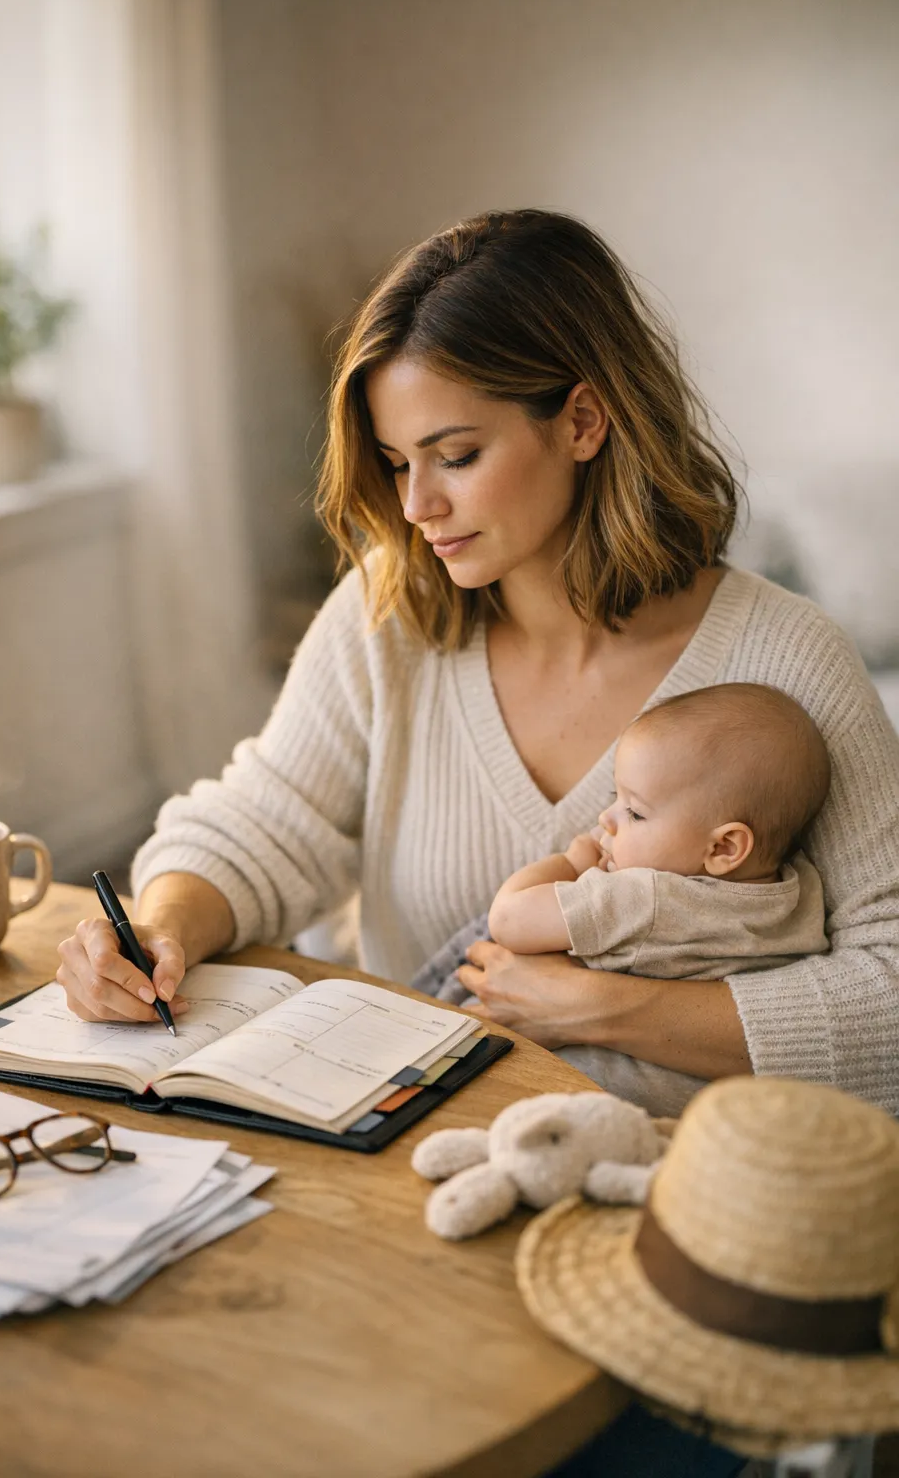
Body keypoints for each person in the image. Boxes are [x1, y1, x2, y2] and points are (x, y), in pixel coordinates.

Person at [57, 208, 899, 1125]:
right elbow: (267, 818)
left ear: (582, 420)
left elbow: (888, 990)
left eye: (457, 455)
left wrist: (608, 1009)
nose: (417, 505)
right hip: (396, 1150)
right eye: (395, 463)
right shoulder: (393, 609)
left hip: (683, 1193)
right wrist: (158, 928)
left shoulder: (788, 663)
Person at [421, 682, 832, 1115]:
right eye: (613, 798)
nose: (607, 819)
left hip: (583, 1097)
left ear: (724, 849)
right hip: (696, 1112)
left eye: (634, 812)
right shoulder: (800, 892)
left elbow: (508, 918)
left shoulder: (645, 898)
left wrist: (571, 861)